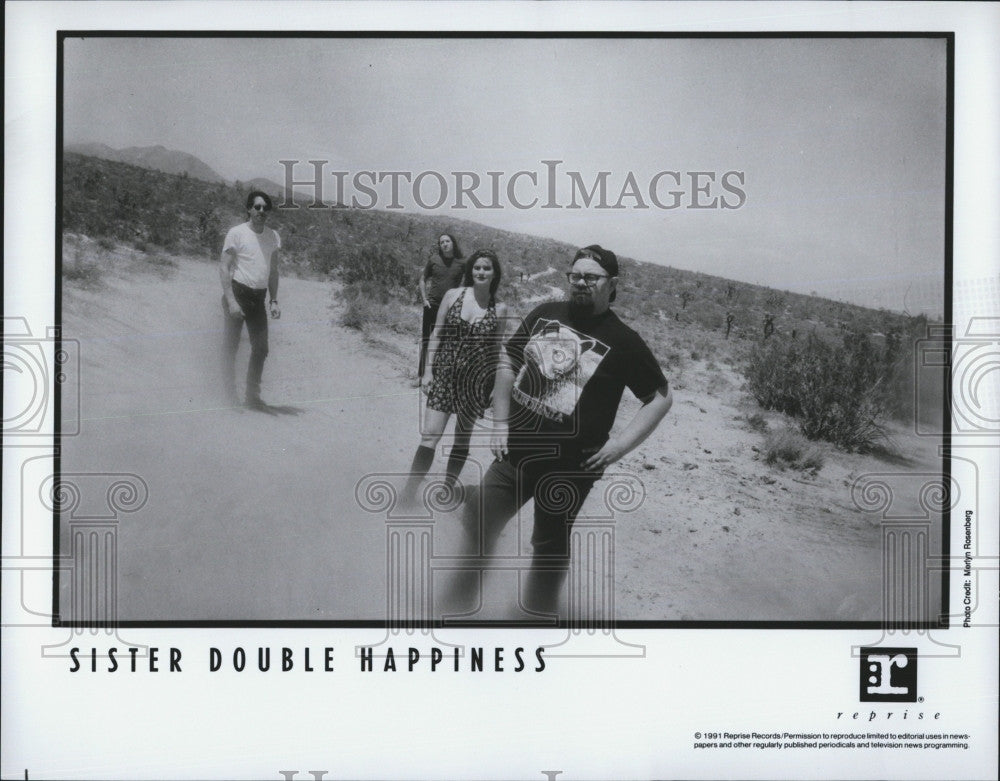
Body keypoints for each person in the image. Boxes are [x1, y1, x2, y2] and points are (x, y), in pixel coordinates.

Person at [451, 244, 673, 618]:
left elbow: (660, 398)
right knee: (481, 519)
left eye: (591, 277)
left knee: (549, 544)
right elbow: (508, 360)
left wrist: (619, 446)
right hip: (517, 451)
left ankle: (535, 618)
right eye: (576, 276)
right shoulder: (545, 314)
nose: (581, 283)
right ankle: (456, 602)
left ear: (612, 284)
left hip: (571, 466)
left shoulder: (625, 342)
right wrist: (501, 423)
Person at [403, 249, 513, 502]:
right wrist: (428, 371)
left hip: (475, 381)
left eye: (487, 268)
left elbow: (495, 350)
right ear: (470, 270)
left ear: (495, 274)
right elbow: (437, 334)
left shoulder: (500, 308)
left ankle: (446, 490)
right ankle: (408, 493)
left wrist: (495, 386)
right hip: (444, 374)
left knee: (462, 439)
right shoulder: (453, 296)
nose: (481, 272)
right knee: (430, 434)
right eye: (477, 268)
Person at [220, 190, 281, 408]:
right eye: (257, 207)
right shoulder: (236, 233)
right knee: (231, 346)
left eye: (265, 208)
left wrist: (274, 300)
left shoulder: (273, 237)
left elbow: (273, 272)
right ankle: (229, 396)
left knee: (261, 348)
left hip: (259, 298)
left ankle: (252, 396)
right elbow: (224, 267)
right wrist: (231, 301)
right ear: (249, 209)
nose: (261, 211)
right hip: (238, 293)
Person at [417, 233, 465, 382]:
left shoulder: (462, 262)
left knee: (447, 342)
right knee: (426, 340)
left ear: (453, 243)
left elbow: (469, 283)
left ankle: (441, 377)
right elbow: (422, 279)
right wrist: (424, 299)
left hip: (450, 309)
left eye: (447, 241)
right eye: (442, 242)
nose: (444, 244)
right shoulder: (434, 260)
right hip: (432, 305)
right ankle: (421, 376)